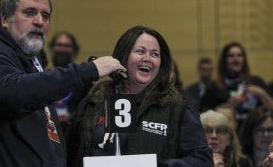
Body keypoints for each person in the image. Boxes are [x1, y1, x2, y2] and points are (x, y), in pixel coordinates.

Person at [0, 0, 125, 166]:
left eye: (45, 16)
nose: (39, 21)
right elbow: (16, 91)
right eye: (29, 12)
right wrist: (88, 70)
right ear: (5, 19)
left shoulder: (28, 61)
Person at [67, 26, 213, 167]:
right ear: (123, 56)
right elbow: (70, 154)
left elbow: (202, 160)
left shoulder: (177, 107)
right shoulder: (94, 101)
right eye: (140, 51)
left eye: (155, 54)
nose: (147, 58)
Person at [199, 42, 273, 130]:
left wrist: (262, 93)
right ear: (225, 61)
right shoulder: (214, 87)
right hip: (228, 134)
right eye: (231, 56)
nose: (236, 59)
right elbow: (204, 118)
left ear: (244, 60)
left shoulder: (256, 81)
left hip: (254, 134)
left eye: (239, 55)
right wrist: (228, 106)